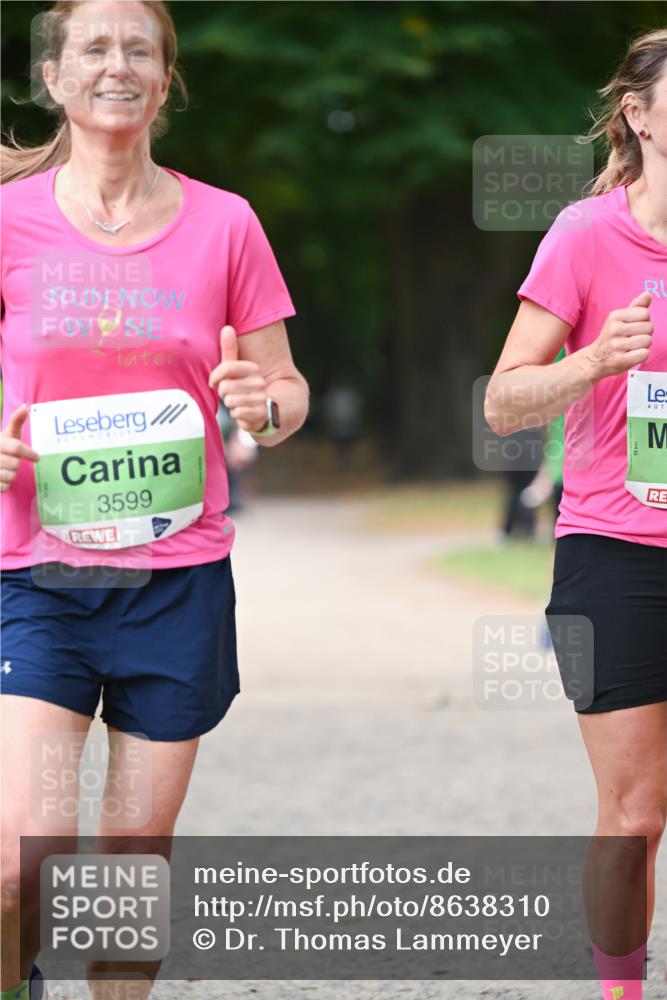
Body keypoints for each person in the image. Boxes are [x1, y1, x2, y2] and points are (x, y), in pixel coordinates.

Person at [0, 2, 309, 998]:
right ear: (54, 77)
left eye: (140, 48)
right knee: (18, 861)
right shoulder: (10, 219)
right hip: (35, 575)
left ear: (166, 80)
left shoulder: (226, 222)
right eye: (94, 47)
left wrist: (266, 407)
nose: (117, 64)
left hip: (174, 582)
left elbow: (285, 391)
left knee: (132, 862)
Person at [485, 28, 666, 1000]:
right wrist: (594, 361)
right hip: (615, 550)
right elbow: (502, 400)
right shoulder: (585, 234)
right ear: (637, 115)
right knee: (634, 812)